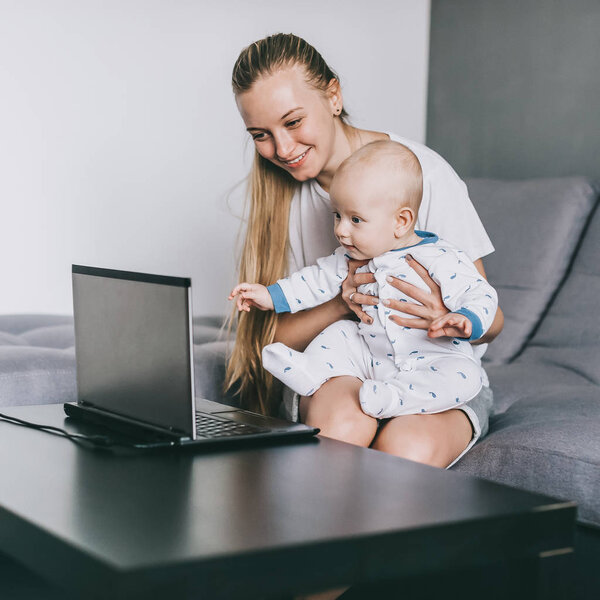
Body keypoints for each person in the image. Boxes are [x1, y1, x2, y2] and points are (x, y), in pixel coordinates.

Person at [225, 32, 504, 470]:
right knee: (341, 434)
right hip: (344, 362)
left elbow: (493, 321)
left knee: (403, 454)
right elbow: (269, 338)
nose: (281, 149)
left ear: (333, 96)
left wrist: (445, 316)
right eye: (261, 134)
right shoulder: (280, 196)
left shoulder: (420, 173)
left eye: (293, 122)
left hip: (434, 369)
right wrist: (341, 302)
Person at [229, 140, 498, 427]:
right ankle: (309, 370)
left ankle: (394, 398)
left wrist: (465, 318)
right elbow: (310, 281)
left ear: (401, 221)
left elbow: (480, 294)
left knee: (462, 375)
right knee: (341, 332)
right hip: (369, 357)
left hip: (429, 357)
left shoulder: (442, 257)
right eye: (338, 216)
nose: (341, 231)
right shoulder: (348, 258)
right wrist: (268, 295)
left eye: (355, 219)